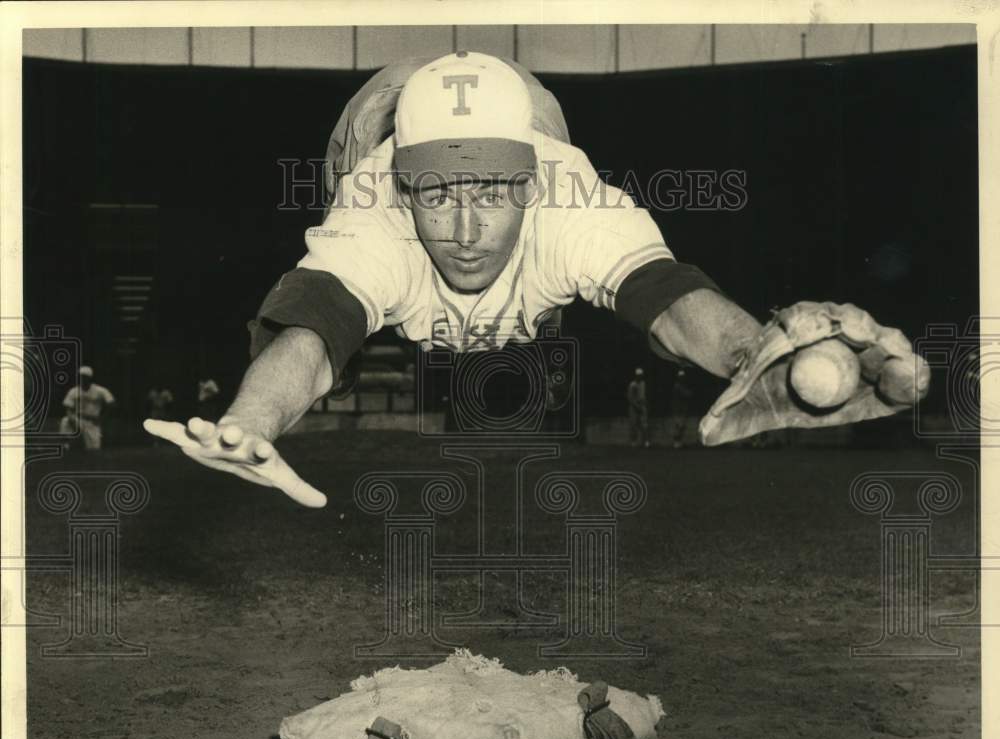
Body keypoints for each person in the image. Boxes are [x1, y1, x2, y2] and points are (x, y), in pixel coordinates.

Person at [144, 51, 926, 507]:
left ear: (530, 184)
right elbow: (312, 338)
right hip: (370, 133)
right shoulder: (372, 213)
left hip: (534, 165)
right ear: (403, 187)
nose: (463, 231)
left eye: (490, 194)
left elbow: (671, 300)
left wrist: (760, 351)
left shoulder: (576, 208)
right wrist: (253, 420)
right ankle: (401, 124)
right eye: (438, 195)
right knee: (369, 160)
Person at [60, 365, 115, 451]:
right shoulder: (73, 391)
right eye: (80, 377)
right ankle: (65, 445)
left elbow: (111, 403)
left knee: (94, 449)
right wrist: (72, 419)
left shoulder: (100, 390)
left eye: (84, 377)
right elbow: (68, 408)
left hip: (92, 421)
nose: (82, 379)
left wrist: (103, 418)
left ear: (89, 378)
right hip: (77, 418)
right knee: (65, 420)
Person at [670, 367, 693, 448]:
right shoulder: (677, 386)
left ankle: (679, 442)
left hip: (682, 409)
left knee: (681, 426)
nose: (682, 379)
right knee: (678, 426)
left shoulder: (682, 386)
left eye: (683, 377)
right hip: (677, 409)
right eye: (681, 377)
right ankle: (676, 442)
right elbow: (687, 394)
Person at [626, 368, 650, 448]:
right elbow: (630, 398)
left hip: (642, 405)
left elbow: (644, 395)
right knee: (634, 424)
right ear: (636, 376)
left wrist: (645, 405)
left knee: (644, 424)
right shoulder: (632, 384)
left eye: (641, 375)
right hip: (634, 406)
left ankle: (646, 442)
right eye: (638, 376)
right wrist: (636, 406)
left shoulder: (643, 383)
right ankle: (633, 442)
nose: (640, 377)